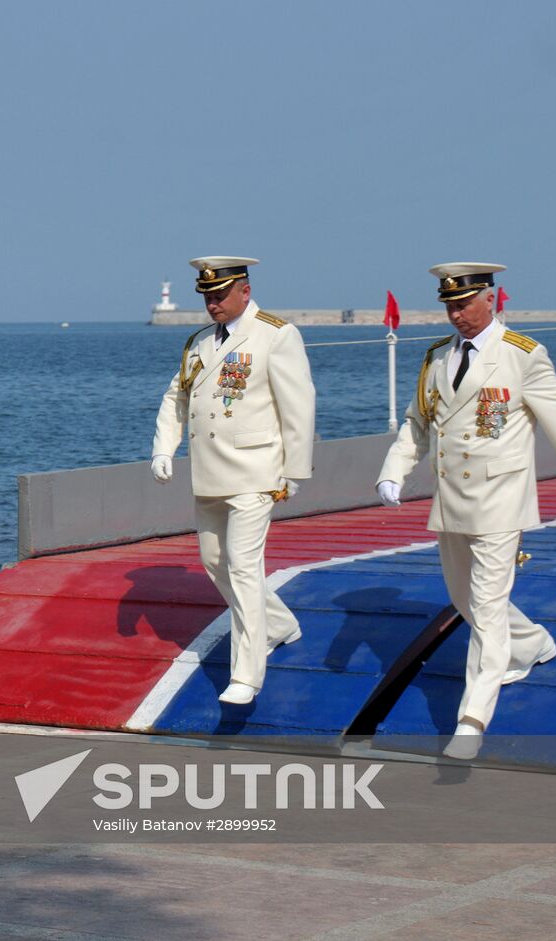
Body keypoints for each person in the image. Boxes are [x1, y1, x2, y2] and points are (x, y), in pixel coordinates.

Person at [376, 263, 556, 759]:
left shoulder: (524, 356)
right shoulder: (437, 358)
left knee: (483, 606)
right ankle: (532, 644)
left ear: (491, 298)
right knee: (464, 597)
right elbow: (418, 424)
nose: (456, 315)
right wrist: (393, 469)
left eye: (464, 304)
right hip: (452, 500)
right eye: (450, 306)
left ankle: (471, 719)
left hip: (501, 499)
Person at [151, 257, 316, 705]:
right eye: (206, 295)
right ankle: (279, 623)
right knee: (214, 561)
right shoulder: (200, 342)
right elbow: (176, 398)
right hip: (208, 474)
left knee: (244, 568)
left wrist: (293, 470)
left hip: (255, 472)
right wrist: (163, 448)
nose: (212, 303)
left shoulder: (275, 334)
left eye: (220, 294)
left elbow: (298, 406)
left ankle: (246, 675)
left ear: (244, 289)